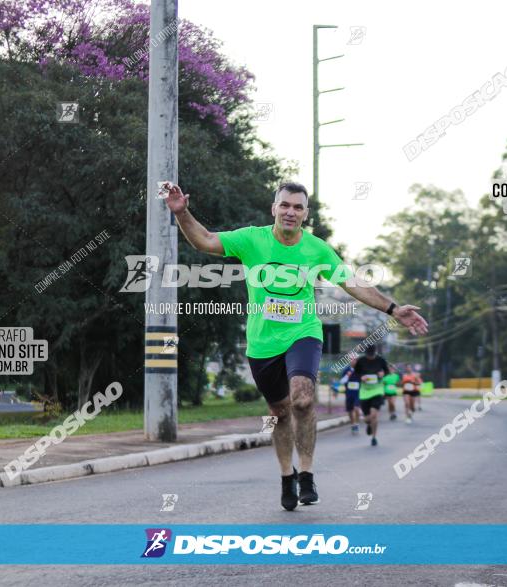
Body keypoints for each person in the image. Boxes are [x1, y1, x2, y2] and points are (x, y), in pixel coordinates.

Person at [163, 181, 428, 510]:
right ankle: (286, 475)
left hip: (304, 333)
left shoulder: (317, 249)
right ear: (274, 208)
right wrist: (182, 212)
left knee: (302, 400)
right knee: (279, 411)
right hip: (262, 344)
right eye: (285, 205)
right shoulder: (251, 240)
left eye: (297, 207)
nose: (290, 212)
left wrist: (393, 308)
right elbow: (205, 240)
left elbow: (354, 283)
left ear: (305, 214)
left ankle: (306, 473)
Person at [352, 345, 389, 446]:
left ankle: (374, 437)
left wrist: (383, 373)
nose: (370, 357)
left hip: (377, 390)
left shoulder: (381, 360)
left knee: (374, 415)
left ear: (375, 353)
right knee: (367, 418)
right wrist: (361, 377)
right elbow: (356, 374)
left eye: (372, 356)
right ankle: (369, 424)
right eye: (369, 356)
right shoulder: (361, 361)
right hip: (365, 391)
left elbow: (387, 371)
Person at [338, 362, 362, 435]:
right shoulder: (346, 370)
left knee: (356, 408)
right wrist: (347, 376)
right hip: (349, 393)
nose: (354, 361)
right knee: (350, 410)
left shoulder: (360, 369)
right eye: (352, 359)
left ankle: (357, 424)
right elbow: (342, 381)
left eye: (355, 359)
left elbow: (364, 380)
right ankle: (353, 424)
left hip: (358, 393)